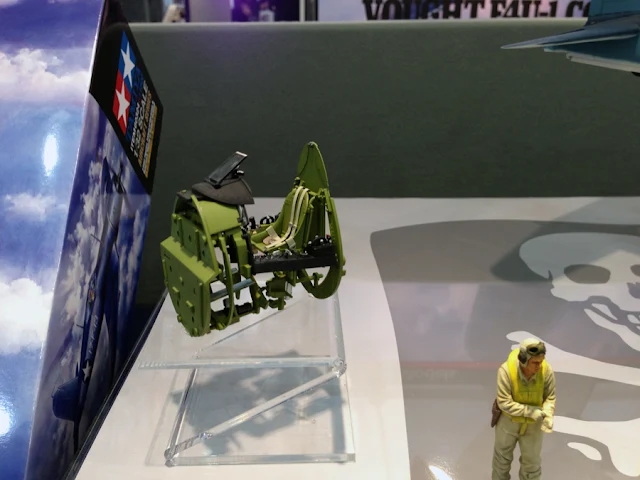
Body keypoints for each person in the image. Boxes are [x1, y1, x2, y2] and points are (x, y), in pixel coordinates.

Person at [491, 338, 556, 480]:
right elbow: (504, 402)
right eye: (535, 362)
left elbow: (550, 397)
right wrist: (531, 412)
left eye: (541, 361)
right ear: (524, 360)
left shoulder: (546, 371)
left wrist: (548, 414)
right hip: (508, 423)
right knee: (501, 461)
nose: (539, 365)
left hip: (533, 426)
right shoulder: (506, 371)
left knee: (532, 464)